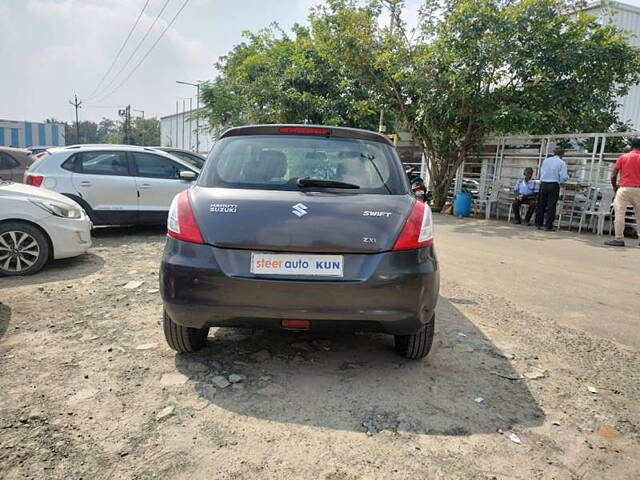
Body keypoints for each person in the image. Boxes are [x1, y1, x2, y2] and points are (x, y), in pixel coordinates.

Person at [604, 137, 640, 247]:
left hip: (623, 189)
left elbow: (613, 175)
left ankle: (619, 239)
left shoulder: (623, 157)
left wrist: (615, 187)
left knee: (619, 213)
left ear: (631, 145)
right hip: (639, 189)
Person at [536, 147, 569, 230]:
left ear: (554, 153)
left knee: (541, 204)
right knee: (551, 206)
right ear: (562, 154)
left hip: (543, 184)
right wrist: (560, 180)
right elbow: (564, 177)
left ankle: (538, 224)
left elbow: (541, 172)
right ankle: (548, 225)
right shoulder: (562, 163)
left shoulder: (546, 160)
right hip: (553, 184)